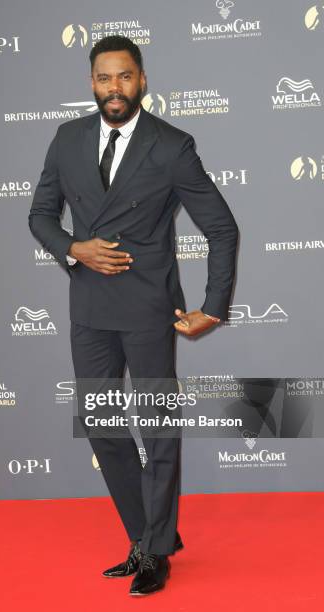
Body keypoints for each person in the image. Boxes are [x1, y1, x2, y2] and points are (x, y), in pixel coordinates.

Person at [28, 34, 238, 597]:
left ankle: (158, 550)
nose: (113, 88)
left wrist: (212, 309)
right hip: (90, 308)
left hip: (149, 309)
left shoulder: (170, 146)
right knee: (102, 424)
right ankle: (144, 538)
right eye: (103, 77)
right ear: (91, 82)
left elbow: (221, 228)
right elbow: (41, 214)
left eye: (124, 77)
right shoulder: (67, 138)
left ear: (141, 81)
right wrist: (75, 248)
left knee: (157, 428)